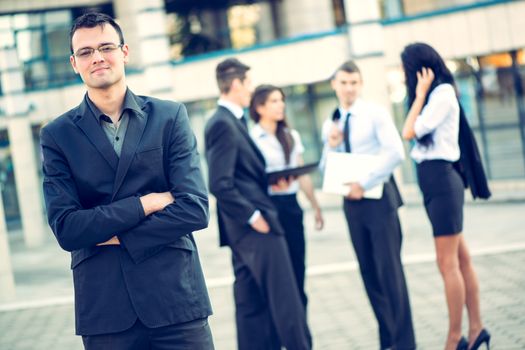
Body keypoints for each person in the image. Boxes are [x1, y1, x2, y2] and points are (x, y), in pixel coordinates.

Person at [40, 12, 213, 350]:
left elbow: (194, 209)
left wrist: (113, 234)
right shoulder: (57, 135)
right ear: (74, 63)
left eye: (106, 47)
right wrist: (145, 203)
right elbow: (68, 228)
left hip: (176, 300)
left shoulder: (169, 116)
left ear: (124, 52)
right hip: (106, 309)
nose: (98, 57)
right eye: (86, 52)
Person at [205, 58, 312, 350]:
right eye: (249, 83)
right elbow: (219, 183)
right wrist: (253, 216)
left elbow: (240, 175)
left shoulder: (232, 121)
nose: (252, 89)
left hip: (244, 229)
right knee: (285, 298)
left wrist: (269, 182)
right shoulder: (222, 124)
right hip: (255, 227)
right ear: (237, 84)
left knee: (250, 303)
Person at [401, 42, 491, 350]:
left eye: (407, 70)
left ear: (420, 69)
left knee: (447, 262)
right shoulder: (437, 96)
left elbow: (409, 131)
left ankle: (456, 337)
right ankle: (477, 329)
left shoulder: (440, 95)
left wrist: (420, 94)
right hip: (435, 181)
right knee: (461, 259)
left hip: (442, 179)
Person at [322, 60, 416, 350]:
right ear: (334, 86)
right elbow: (327, 166)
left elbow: (395, 153)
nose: (349, 88)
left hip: (378, 198)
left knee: (389, 271)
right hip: (352, 204)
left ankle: (404, 343)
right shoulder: (332, 121)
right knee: (369, 272)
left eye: (354, 83)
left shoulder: (375, 113)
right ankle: (387, 338)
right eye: (344, 83)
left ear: (360, 85)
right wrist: (333, 143)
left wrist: (365, 182)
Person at [249, 84, 324, 308]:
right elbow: (250, 178)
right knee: (279, 273)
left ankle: (300, 330)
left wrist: (315, 206)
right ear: (259, 107)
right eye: (274, 101)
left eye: (281, 100)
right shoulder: (251, 138)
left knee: (298, 267)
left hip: (291, 207)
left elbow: (301, 174)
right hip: (268, 207)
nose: (281, 105)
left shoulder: (291, 136)